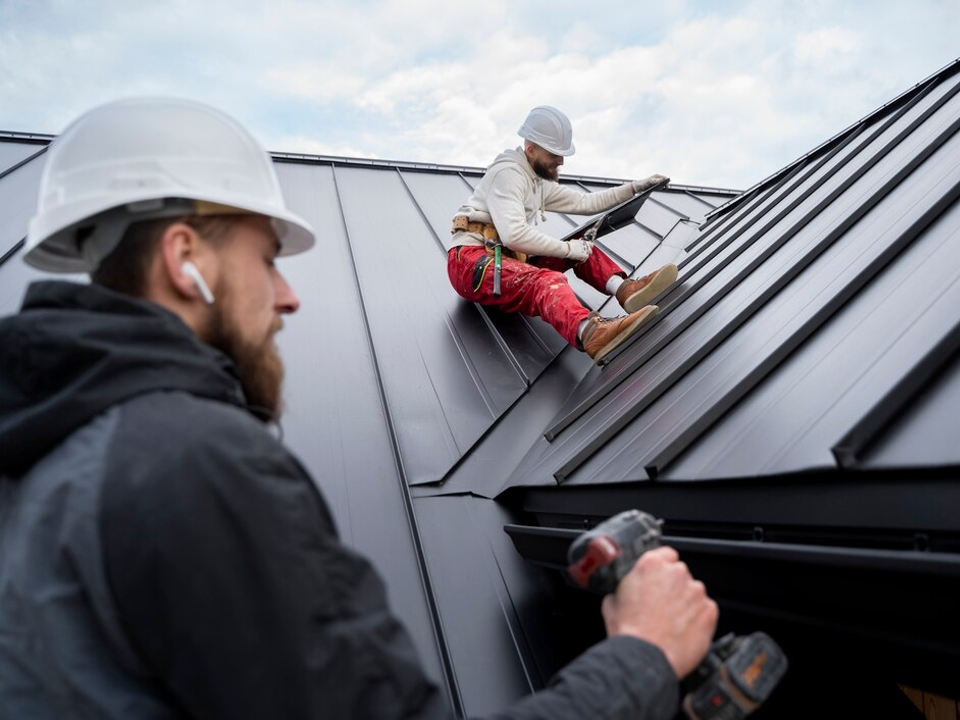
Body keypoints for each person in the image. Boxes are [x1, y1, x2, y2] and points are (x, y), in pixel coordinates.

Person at [0, 97, 718, 720]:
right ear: (184, 259)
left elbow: (586, 209)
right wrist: (643, 658)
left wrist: (632, 189)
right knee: (544, 279)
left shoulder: (48, 472)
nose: (289, 296)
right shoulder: (189, 464)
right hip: (491, 259)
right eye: (267, 260)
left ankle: (617, 298)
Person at [448, 105, 680, 364]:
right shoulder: (508, 174)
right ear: (531, 149)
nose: (561, 161)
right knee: (545, 280)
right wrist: (568, 250)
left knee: (581, 248)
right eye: (555, 154)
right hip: (470, 262)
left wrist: (636, 187)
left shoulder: (535, 182)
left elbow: (586, 203)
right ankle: (592, 333)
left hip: (503, 262)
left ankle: (626, 290)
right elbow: (513, 235)